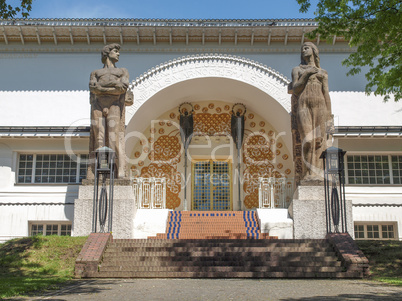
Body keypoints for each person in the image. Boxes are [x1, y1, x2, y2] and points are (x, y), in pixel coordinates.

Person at [289, 42, 333, 181]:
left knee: (320, 142)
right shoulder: (298, 70)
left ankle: (318, 174)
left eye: (306, 48)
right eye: (302, 49)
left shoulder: (322, 72)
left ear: (314, 51)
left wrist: (329, 114)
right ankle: (307, 173)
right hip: (304, 105)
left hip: (320, 106)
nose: (303, 51)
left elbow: (326, 92)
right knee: (308, 140)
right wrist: (306, 74)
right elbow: (296, 88)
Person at [89, 43, 133, 178]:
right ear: (107, 53)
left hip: (114, 105)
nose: (118, 54)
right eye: (115, 51)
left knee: (113, 137)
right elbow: (93, 89)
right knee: (99, 137)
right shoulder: (96, 72)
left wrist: (102, 88)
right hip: (98, 105)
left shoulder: (122, 71)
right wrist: (113, 85)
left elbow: (122, 89)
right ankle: (98, 170)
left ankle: (116, 169)